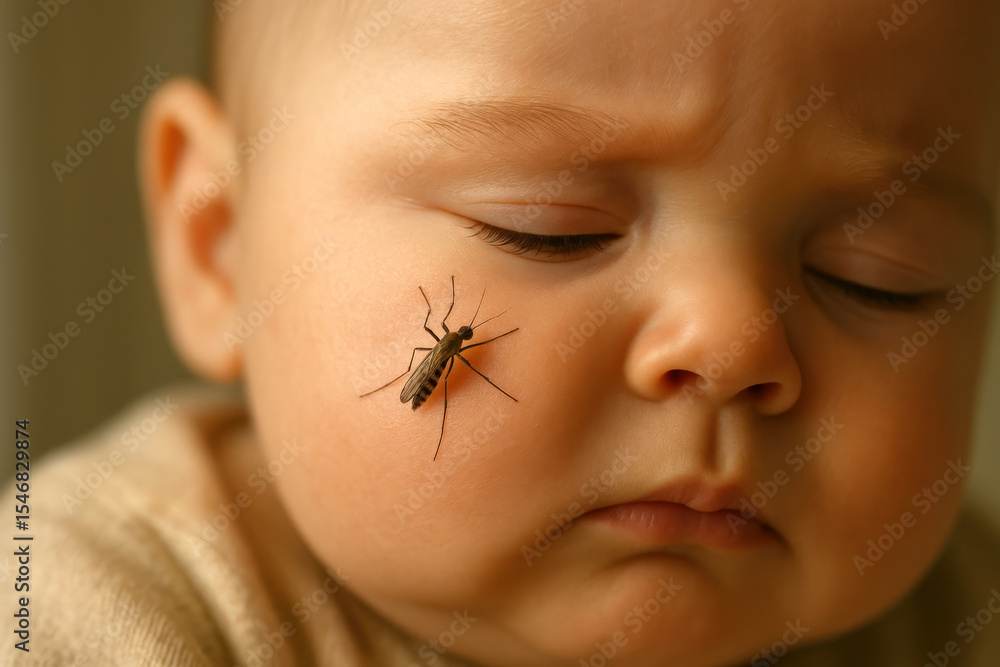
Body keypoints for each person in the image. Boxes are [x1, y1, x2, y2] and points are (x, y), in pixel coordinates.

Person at [5, 0, 1000, 664]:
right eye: (546, 231)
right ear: (221, 248)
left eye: (879, 276)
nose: (729, 344)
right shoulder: (75, 603)